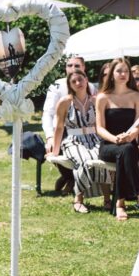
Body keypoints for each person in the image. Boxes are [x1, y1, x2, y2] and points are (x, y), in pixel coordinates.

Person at [48, 68, 110, 214]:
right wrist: (55, 152)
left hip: (94, 138)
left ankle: (107, 199)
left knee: (101, 159)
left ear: (86, 80)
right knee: (83, 160)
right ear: (70, 85)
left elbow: (101, 125)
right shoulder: (64, 102)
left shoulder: (96, 100)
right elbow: (59, 127)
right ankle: (78, 199)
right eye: (74, 81)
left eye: (80, 79)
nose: (78, 83)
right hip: (73, 140)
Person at [95, 57, 139, 221]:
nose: (123, 74)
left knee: (127, 151)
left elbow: (138, 124)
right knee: (125, 151)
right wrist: (115, 138)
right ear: (111, 74)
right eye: (119, 71)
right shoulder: (103, 97)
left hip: (130, 145)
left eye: (126, 71)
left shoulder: (137, 97)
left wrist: (130, 136)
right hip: (108, 145)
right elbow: (99, 128)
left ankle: (120, 203)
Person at [42, 55, 94, 195]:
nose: (73, 68)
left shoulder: (91, 87)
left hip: (86, 130)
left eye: (77, 66)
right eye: (69, 65)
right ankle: (68, 177)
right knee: (54, 148)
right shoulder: (57, 86)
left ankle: (72, 179)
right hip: (62, 128)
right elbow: (48, 113)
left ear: (84, 68)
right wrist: (49, 137)